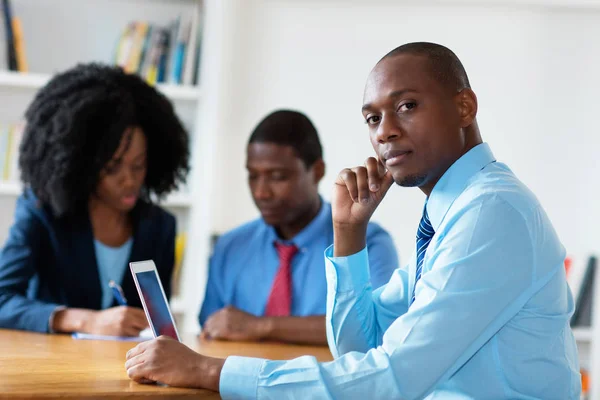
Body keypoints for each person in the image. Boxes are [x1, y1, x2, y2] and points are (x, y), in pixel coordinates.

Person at [125, 42, 581, 399]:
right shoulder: (456, 213)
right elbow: (361, 350)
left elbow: (391, 379)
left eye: (406, 106)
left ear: (464, 107)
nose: (384, 131)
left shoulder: (489, 212)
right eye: (372, 117)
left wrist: (207, 370)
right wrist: (348, 234)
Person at [0, 63, 190, 336]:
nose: (129, 180)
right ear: (82, 165)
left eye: (138, 165)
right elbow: (2, 298)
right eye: (112, 168)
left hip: (125, 371)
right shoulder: (42, 212)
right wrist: (81, 319)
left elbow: (157, 325)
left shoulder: (160, 226)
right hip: (51, 366)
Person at [199, 110, 398, 345]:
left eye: (278, 176)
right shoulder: (230, 246)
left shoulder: (368, 242)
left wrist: (261, 326)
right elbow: (211, 329)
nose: (261, 192)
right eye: (253, 176)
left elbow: (376, 327)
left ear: (317, 171)